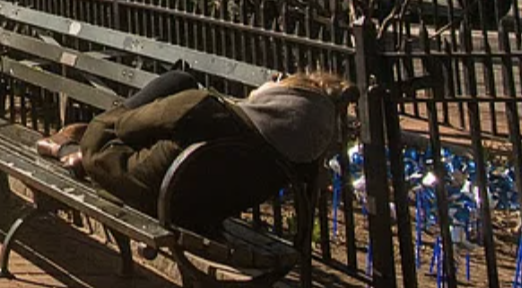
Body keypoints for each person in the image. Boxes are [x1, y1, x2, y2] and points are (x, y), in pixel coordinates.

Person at [37, 68, 354, 232]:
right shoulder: (300, 157)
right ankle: (74, 150)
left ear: (283, 97)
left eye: (278, 79)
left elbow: (124, 128)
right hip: (199, 212)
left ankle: (69, 147)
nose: (270, 80)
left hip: (149, 192)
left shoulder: (205, 109)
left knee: (177, 81)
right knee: (170, 128)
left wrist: (109, 120)